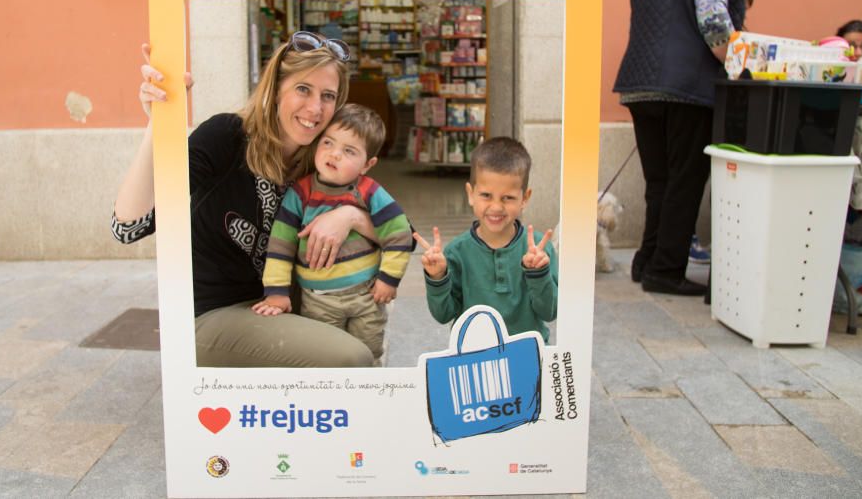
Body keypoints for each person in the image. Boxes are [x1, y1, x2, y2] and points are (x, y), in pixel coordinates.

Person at [112, 32, 379, 368]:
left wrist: (349, 218)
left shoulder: (324, 160)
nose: (315, 108)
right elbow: (129, 227)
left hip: (282, 306)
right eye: (303, 89)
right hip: (211, 315)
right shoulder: (227, 136)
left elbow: (401, 232)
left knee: (370, 309)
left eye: (328, 96)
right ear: (276, 88)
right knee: (351, 358)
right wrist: (157, 124)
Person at [613, 0, 747, 296]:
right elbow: (713, 22)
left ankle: (645, 261)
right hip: (687, 85)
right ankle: (665, 272)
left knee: (659, 181)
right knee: (685, 180)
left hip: (639, 84)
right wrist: (740, 65)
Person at [252, 104, 413, 362]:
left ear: (367, 164)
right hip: (317, 302)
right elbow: (281, 245)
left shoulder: (370, 193)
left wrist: (388, 279)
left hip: (367, 297)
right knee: (325, 358)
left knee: (367, 355)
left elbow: (400, 233)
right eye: (328, 143)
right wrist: (277, 293)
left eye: (349, 151)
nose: (334, 154)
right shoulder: (300, 194)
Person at [414, 137, 558, 343]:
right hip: (474, 359)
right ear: (470, 194)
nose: (496, 207)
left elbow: (550, 312)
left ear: (524, 198)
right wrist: (437, 277)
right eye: (486, 195)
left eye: (507, 197)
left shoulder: (538, 250)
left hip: (530, 356)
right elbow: (443, 314)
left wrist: (538, 273)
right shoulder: (457, 252)